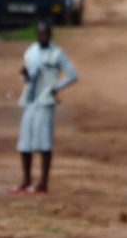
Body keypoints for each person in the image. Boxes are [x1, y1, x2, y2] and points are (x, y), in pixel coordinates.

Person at [12, 20, 78, 194]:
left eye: (46, 33)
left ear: (50, 34)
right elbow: (27, 76)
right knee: (25, 141)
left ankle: (43, 182)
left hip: (46, 100)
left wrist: (56, 88)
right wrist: (24, 76)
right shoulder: (31, 52)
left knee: (44, 141)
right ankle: (26, 180)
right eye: (41, 33)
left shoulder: (56, 53)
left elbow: (72, 75)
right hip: (30, 100)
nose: (43, 36)